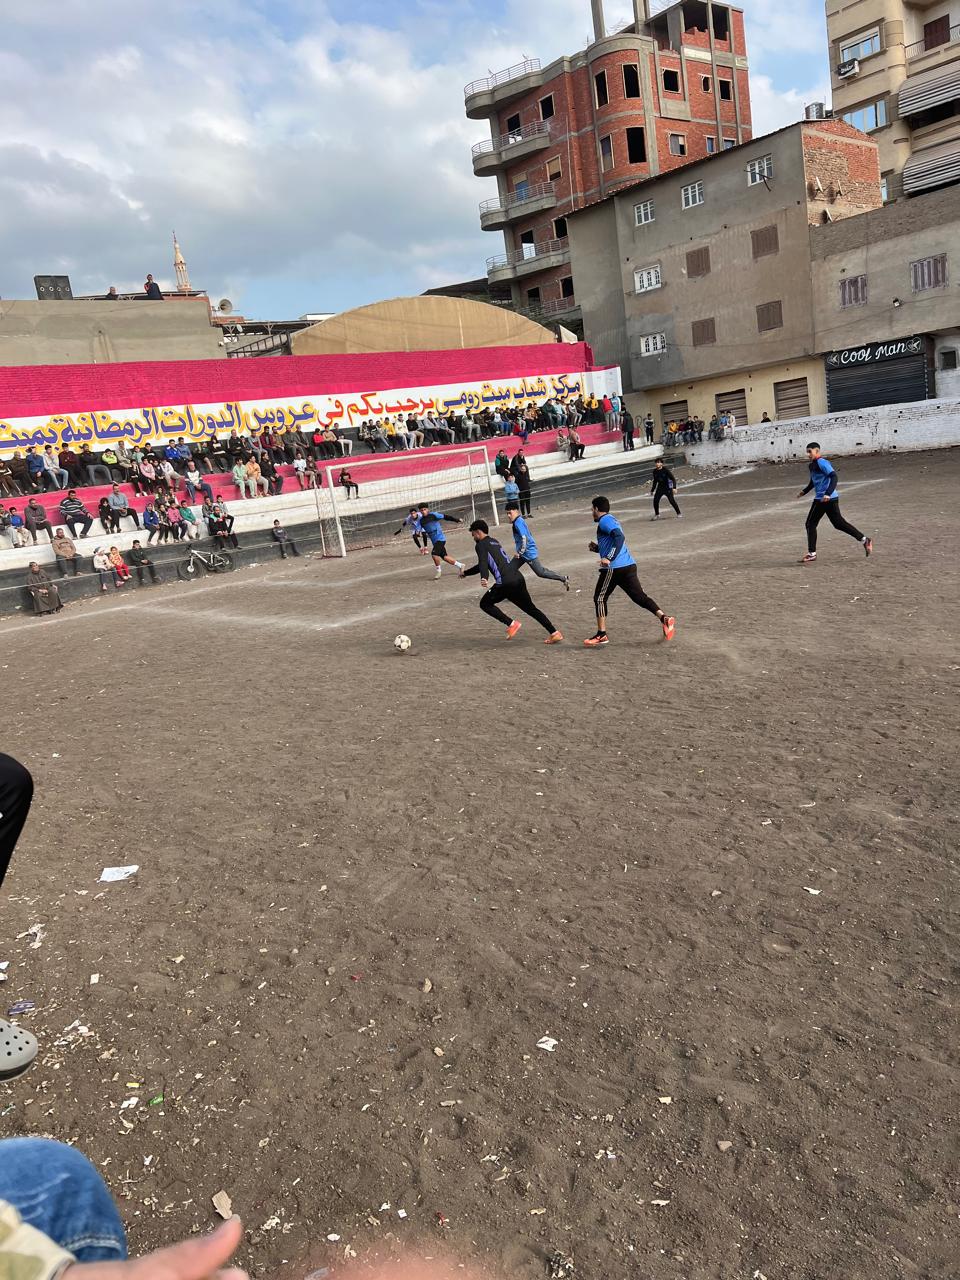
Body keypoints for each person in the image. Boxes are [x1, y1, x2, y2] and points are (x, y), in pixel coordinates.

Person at [584, 495, 675, 648]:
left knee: (599, 598)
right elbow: (615, 541)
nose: (591, 512)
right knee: (639, 597)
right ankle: (664, 618)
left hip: (614, 568)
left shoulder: (604, 520)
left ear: (597, 509)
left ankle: (601, 635)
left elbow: (620, 537)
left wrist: (608, 558)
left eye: (592, 509)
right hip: (628, 565)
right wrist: (598, 549)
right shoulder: (612, 519)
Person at [460, 519, 562, 644]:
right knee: (531, 609)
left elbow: (482, 563)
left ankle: (511, 624)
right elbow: (483, 564)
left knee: (485, 604)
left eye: (473, 535)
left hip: (505, 583)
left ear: (478, 532)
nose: (473, 538)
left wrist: (484, 577)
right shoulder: (494, 542)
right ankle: (554, 632)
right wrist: (466, 573)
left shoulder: (480, 545)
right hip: (517, 577)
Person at [797, 443, 873, 564]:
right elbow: (813, 481)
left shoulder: (822, 462)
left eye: (810, 451)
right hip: (828, 499)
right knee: (838, 523)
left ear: (817, 451)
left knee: (810, 524)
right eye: (807, 452)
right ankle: (864, 540)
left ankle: (812, 553)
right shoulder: (812, 465)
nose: (808, 454)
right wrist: (804, 491)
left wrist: (827, 493)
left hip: (824, 498)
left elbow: (834, 477)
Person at [504, 502, 569, 589]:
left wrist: (520, 552)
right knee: (509, 570)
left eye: (510, 513)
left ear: (516, 511)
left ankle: (563, 578)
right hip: (523, 553)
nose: (508, 515)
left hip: (528, 554)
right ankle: (513, 591)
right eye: (507, 513)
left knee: (540, 572)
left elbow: (525, 538)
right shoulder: (518, 521)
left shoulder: (518, 523)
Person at [417, 503, 466, 579]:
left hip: (440, 539)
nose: (423, 511)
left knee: (434, 554)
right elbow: (418, 531)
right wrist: (417, 534)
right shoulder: (421, 521)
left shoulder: (434, 515)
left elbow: (446, 517)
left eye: (425, 509)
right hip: (435, 542)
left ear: (428, 509)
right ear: (419, 511)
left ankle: (439, 571)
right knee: (445, 557)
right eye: (421, 510)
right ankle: (461, 565)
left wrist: (457, 520)